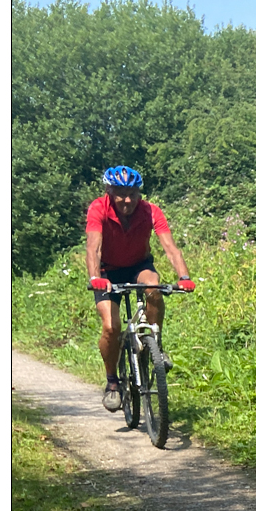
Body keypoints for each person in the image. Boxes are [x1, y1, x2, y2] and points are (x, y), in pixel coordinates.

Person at [86, 165, 195, 412]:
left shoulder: (151, 211)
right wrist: (95, 277)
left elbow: (170, 247)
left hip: (138, 265)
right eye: (120, 193)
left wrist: (184, 276)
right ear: (109, 191)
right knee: (111, 327)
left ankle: (155, 343)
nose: (127, 200)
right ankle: (112, 382)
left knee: (154, 288)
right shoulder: (98, 208)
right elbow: (93, 247)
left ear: (139, 193)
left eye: (133, 193)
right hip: (106, 272)